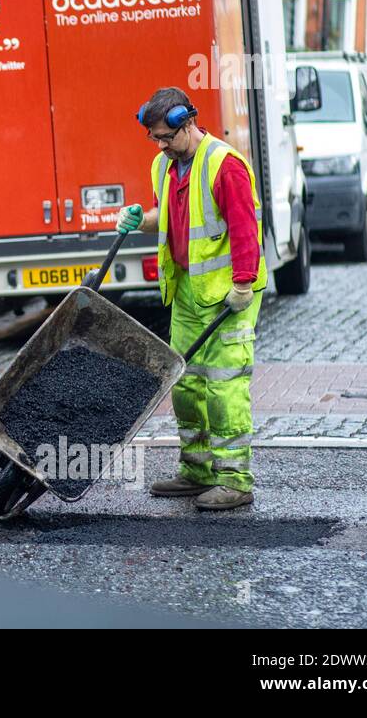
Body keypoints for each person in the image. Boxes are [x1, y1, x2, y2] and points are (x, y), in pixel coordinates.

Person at [116, 86, 266, 511]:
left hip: (227, 297)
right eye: (154, 139)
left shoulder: (225, 165)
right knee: (185, 384)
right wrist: (139, 220)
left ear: (188, 123)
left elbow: (244, 229)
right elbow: (167, 215)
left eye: (167, 137)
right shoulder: (164, 167)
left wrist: (242, 284)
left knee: (224, 389)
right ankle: (197, 471)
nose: (161, 146)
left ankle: (235, 480)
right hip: (186, 294)